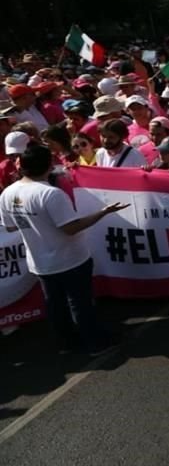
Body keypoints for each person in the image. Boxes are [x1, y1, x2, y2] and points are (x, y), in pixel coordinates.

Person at [0, 144, 128, 355]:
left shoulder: (7, 194)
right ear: (49, 166)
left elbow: (11, 226)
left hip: (40, 262)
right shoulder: (51, 194)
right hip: (70, 258)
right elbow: (71, 228)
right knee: (80, 303)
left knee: (55, 306)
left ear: (20, 165)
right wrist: (103, 212)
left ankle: (67, 344)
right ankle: (95, 343)